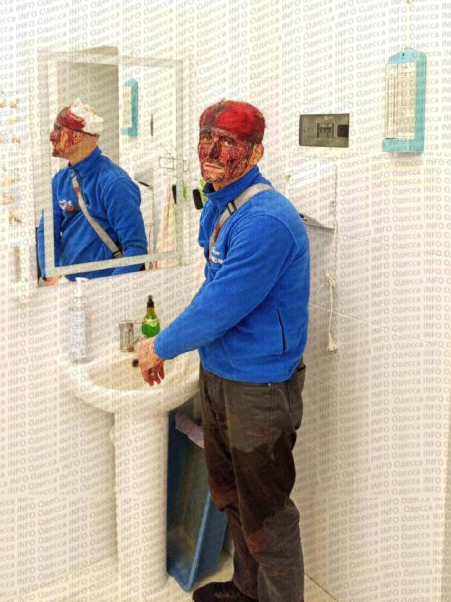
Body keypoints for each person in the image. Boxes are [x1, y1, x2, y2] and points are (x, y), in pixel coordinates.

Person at [138, 100, 310, 602]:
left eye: (228, 142)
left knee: (268, 517)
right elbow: (212, 287)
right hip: (218, 374)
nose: (211, 151)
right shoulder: (219, 203)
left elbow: (222, 304)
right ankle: (245, 590)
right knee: (231, 496)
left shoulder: (266, 220)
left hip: (259, 387)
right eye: (205, 138)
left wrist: (161, 346)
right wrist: (177, 345)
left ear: (255, 152)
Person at [37, 98, 148, 281]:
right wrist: (52, 277)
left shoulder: (114, 183)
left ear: (77, 136)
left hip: (106, 286)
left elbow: (136, 249)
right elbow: (47, 231)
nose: (51, 136)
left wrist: (108, 289)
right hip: (69, 287)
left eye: (58, 129)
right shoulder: (60, 180)